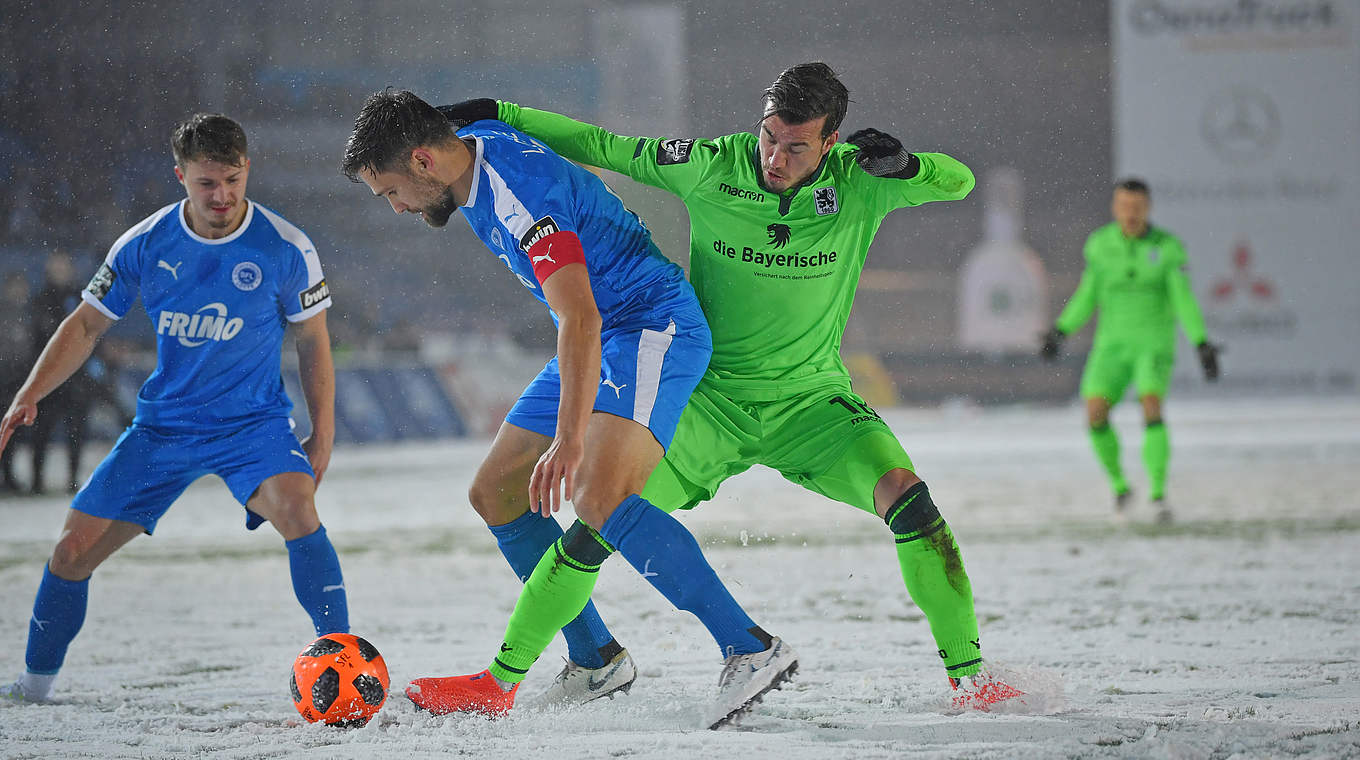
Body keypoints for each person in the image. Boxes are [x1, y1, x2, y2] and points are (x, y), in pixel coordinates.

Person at [437, 61, 1020, 714]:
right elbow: (603, 147)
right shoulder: (713, 164)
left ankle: (973, 684)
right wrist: (504, 112)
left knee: (910, 502)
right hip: (707, 405)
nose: (775, 156)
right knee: (597, 519)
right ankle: (507, 681)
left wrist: (909, 167)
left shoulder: (860, 182)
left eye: (796, 146)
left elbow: (959, 181)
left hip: (813, 407)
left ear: (831, 143)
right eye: (769, 136)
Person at [340, 89, 796, 727]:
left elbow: (577, 314)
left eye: (391, 191)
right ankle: (595, 660)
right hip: (604, 333)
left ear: (423, 161)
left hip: (645, 327)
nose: (395, 208)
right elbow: (475, 118)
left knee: (596, 496)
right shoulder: (470, 149)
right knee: (496, 490)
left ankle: (749, 646)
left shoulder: (520, 201)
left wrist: (569, 439)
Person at [0, 113, 348, 703]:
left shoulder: (287, 247)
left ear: (247, 170)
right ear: (180, 175)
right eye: (208, 183)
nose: (223, 196)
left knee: (298, 506)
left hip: (253, 427)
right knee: (70, 551)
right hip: (163, 429)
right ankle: (32, 688)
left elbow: (313, 340)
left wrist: (323, 433)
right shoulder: (144, 243)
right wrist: (28, 393)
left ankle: (341, 663)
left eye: (234, 180)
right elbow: (86, 325)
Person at [1041, 178, 1219, 523]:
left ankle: (1157, 494)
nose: (1130, 214)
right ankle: (1121, 487)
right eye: (1124, 207)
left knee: (1151, 405)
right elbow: (1087, 294)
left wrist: (1201, 342)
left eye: (1137, 207)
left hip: (1152, 344)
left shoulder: (1167, 247)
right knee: (1094, 413)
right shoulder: (1100, 245)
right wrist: (1060, 331)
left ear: (1148, 209)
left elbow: (1183, 299)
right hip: (1111, 346)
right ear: (1114, 208)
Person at [27, 249, 99, 494]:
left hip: (77, 376)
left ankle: (72, 478)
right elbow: (38, 338)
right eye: (55, 267)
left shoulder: (82, 297)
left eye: (63, 266)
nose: (60, 271)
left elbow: (93, 331)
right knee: (42, 430)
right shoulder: (40, 299)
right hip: (50, 376)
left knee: (77, 431)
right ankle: (37, 480)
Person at [0, 271, 32, 494]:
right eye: (15, 287)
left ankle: (8, 474)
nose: (18, 292)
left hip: (19, 381)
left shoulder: (29, 314)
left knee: (14, 432)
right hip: (3, 378)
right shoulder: (4, 313)